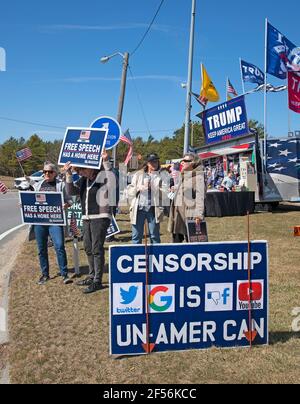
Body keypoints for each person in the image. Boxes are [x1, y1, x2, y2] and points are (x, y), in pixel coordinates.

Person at [63, 152, 114, 294]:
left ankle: (97, 280)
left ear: (90, 167)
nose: (80, 172)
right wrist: (68, 174)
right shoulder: (84, 180)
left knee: (97, 248)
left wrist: (106, 161)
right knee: (87, 247)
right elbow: (71, 191)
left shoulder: (102, 175)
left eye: (81, 170)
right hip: (87, 217)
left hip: (100, 216)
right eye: (78, 170)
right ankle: (91, 275)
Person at [30, 163, 72, 285]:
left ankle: (64, 274)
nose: (47, 174)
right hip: (40, 221)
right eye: (45, 172)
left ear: (55, 173)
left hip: (55, 221)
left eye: (50, 172)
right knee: (41, 249)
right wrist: (24, 205)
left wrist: (67, 205)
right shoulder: (38, 185)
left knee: (59, 246)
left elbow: (71, 200)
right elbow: (32, 200)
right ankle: (45, 275)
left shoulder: (61, 185)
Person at [127, 153, 168, 244]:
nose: (154, 164)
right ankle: (136, 256)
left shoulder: (162, 175)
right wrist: (138, 188)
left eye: (156, 161)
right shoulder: (138, 174)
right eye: (152, 162)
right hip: (139, 208)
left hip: (153, 209)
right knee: (136, 236)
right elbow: (129, 190)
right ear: (147, 163)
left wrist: (154, 188)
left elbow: (165, 193)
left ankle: (156, 256)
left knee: (154, 236)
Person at [168, 152, 206, 243]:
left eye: (185, 160)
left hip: (190, 215)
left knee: (193, 243)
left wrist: (199, 215)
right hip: (178, 214)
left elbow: (200, 197)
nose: (182, 162)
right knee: (176, 244)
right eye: (182, 160)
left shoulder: (198, 176)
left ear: (193, 162)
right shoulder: (185, 174)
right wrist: (176, 189)